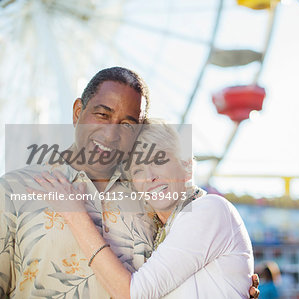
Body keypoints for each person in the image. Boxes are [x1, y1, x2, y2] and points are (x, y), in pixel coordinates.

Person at [0, 67, 260, 298]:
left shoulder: (150, 199)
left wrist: (230, 282)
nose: (111, 133)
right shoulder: (14, 191)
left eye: (127, 125)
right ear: (78, 112)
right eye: (102, 115)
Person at [31, 120, 254, 298]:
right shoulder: (162, 234)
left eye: (159, 160)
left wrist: (74, 214)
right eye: (137, 170)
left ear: (186, 164)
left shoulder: (208, 210)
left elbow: (132, 293)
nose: (150, 177)